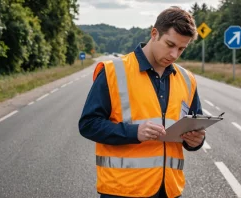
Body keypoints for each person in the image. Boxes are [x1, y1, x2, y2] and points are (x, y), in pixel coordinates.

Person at [78, 6, 205, 198]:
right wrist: (134, 132)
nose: (174, 54)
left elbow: (192, 127)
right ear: (154, 33)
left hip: (169, 190)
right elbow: (88, 124)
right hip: (122, 190)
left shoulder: (187, 79)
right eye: (170, 44)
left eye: (181, 49)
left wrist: (196, 141)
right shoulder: (114, 71)